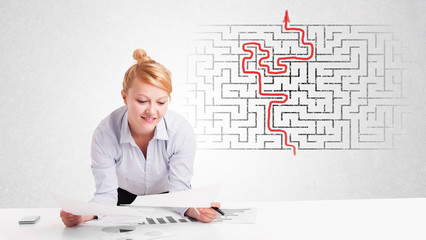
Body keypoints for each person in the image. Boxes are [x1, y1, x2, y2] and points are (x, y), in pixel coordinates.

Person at [60, 49, 220, 227]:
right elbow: (106, 194)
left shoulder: (180, 131)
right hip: (123, 201)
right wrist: (83, 215)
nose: (152, 111)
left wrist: (198, 210)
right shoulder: (105, 133)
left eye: (161, 102)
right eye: (142, 101)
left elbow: (180, 192)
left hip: (168, 201)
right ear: (124, 97)